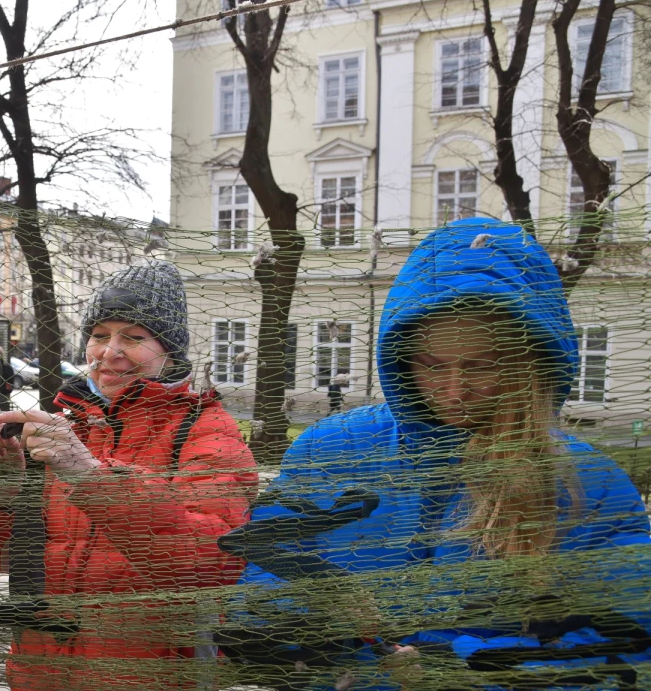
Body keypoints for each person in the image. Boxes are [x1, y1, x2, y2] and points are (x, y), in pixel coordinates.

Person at [226, 218, 651, 689]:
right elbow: (266, 576)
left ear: (527, 363)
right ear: (401, 358)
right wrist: (297, 630)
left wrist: (466, 666)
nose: (453, 390)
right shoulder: (332, 448)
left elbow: (625, 645)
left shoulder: (589, 482)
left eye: (479, 367)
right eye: (432, 366)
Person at [0, 260, 258, 691]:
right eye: (99, 336)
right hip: (41, 671)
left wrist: (92, 479)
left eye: (133, 337)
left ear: (169, 351)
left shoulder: (206, 429)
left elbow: (213, 563)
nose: (109, 352)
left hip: (152, 675)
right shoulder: (63, 426)